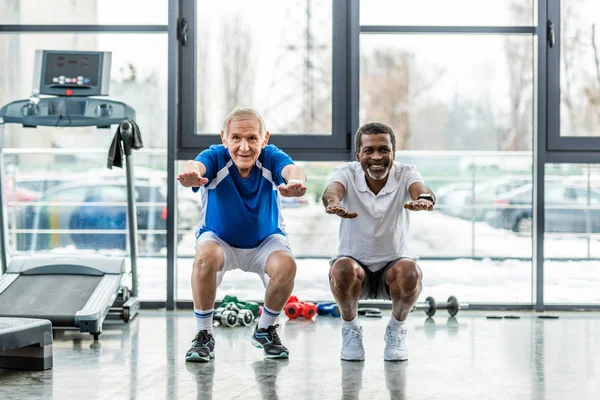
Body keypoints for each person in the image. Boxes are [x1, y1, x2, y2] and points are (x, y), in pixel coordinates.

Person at [177, 107, 307, 362]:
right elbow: (197, 165)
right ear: (224, 138)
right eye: (236, 138)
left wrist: (295, 183)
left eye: (252, 139)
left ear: (264, 138)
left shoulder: (270, 157)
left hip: (265, 241)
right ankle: (204, 335)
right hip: (219, 240)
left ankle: (266, 330)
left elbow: (292, 170)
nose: (244, 147)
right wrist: (192, 174)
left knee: (286, 265)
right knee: (204, 255)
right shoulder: (216, 157)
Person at [321, 122, 435, 362]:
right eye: (369, 151)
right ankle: (350, 330)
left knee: (410, 271)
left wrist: (423, 199)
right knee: (341, 268)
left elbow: (420, 189)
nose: (377, 157)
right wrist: (333, 202)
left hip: (392, 269)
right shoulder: (346, 172)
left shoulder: (406, 172)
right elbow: (332, 190)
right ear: (358, 155)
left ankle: (396, 329)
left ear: (393, 153)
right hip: (355, 269)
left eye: (384, 150)